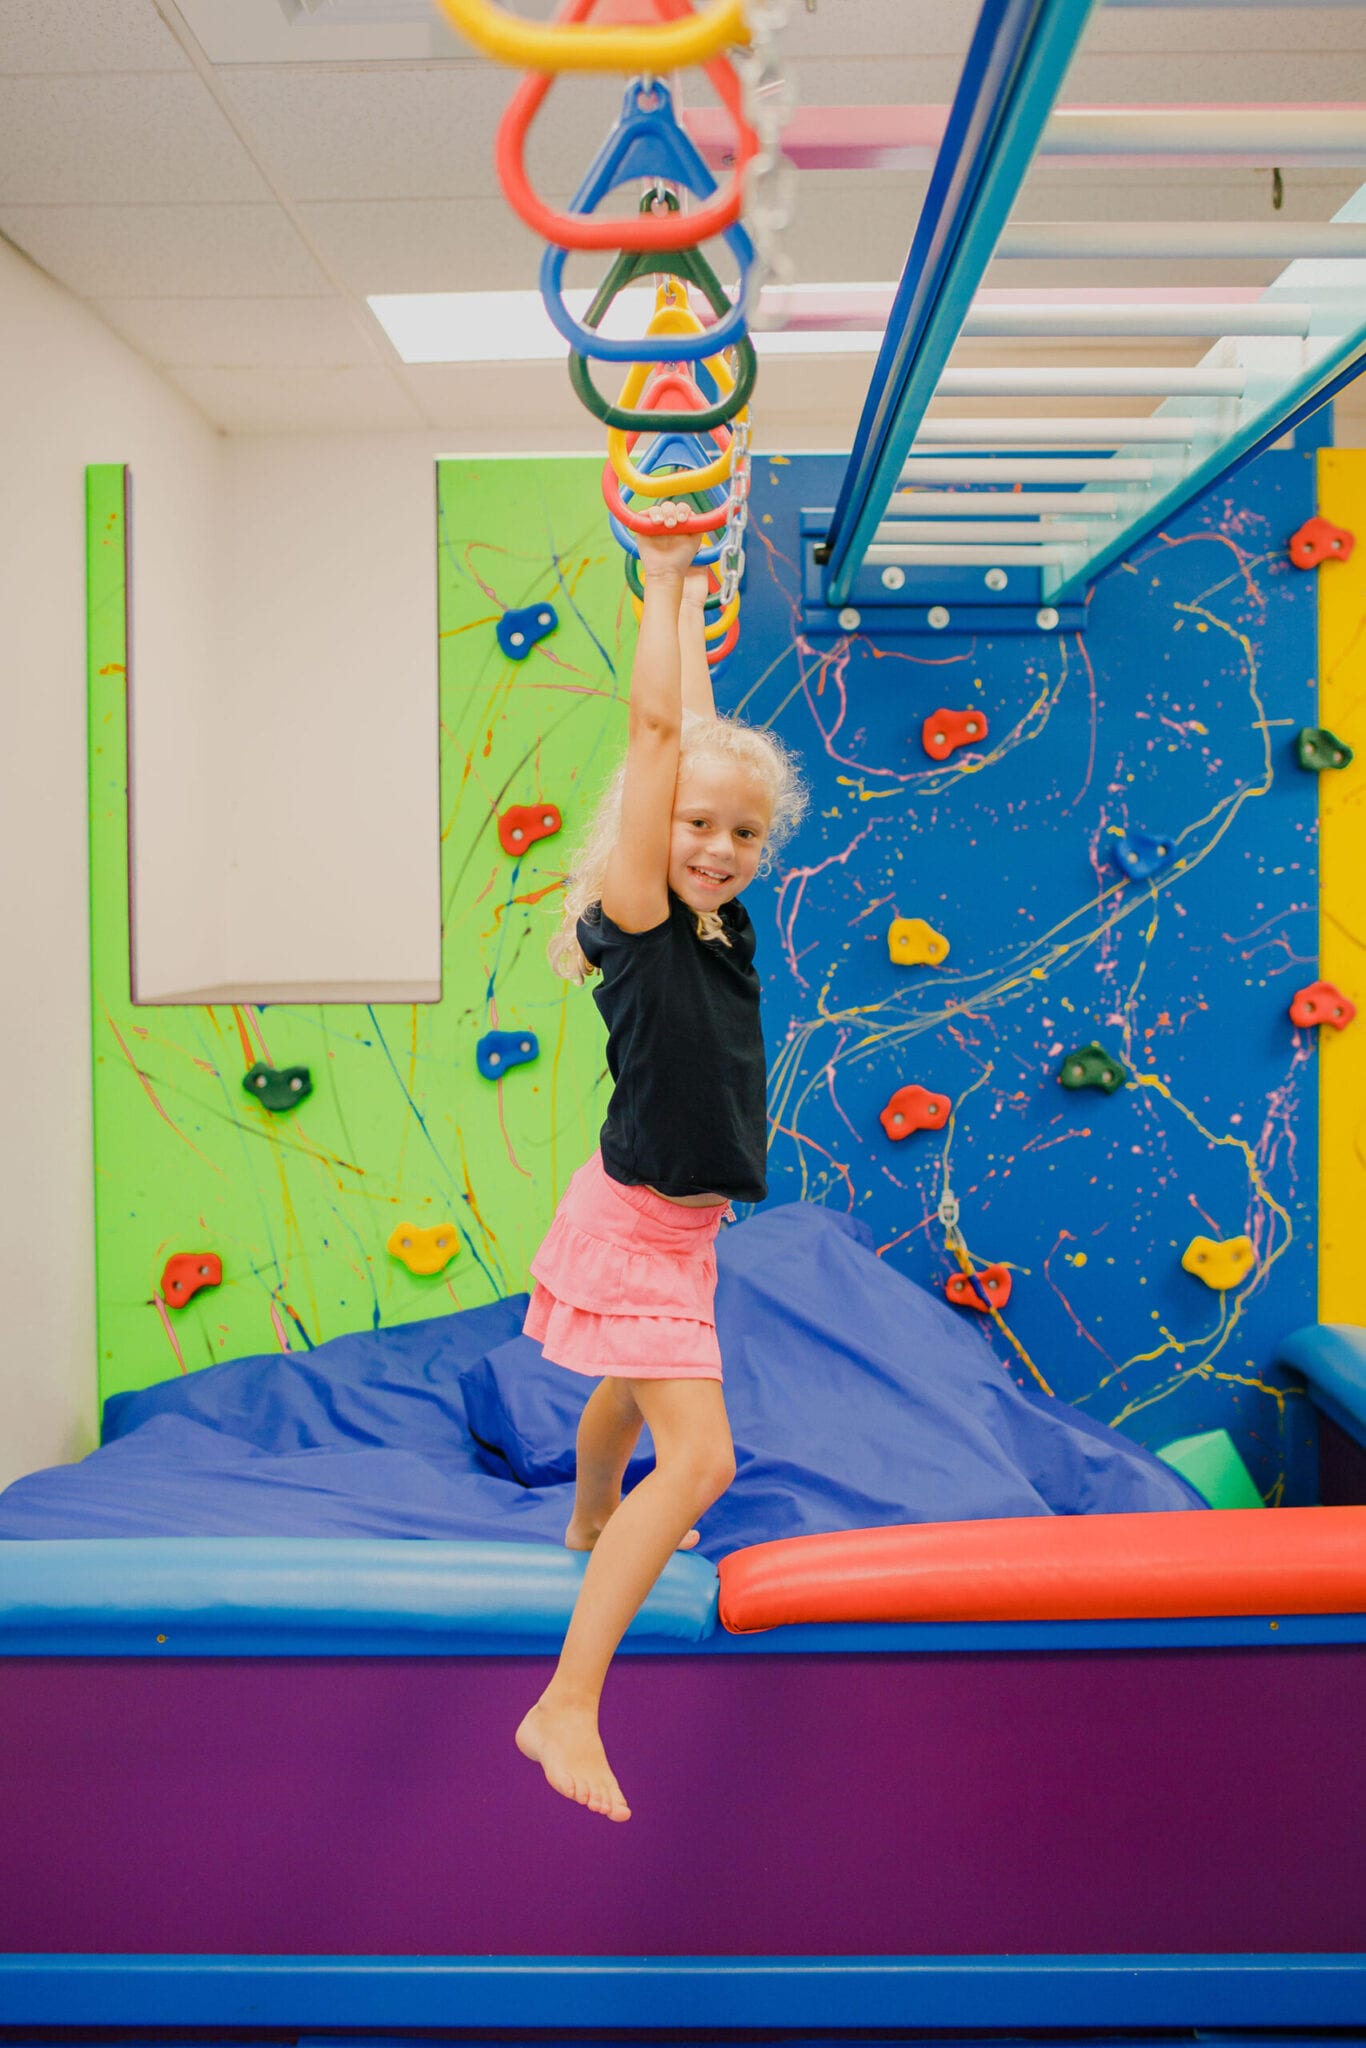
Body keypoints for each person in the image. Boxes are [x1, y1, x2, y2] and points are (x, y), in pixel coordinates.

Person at [514, 501, 806, 1822]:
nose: (718, 848)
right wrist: (664, 574)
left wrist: (692, 626)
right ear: (648, 829)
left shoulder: (718, 921)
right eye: (695, 827)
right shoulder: (637, 915)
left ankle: (585, 1514)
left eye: (744, 836)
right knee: (697, 1464)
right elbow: (657, 743)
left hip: (669, 1227)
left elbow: (690, 739)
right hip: (636, 1227)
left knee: (630, 1397)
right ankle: (564, 1701)